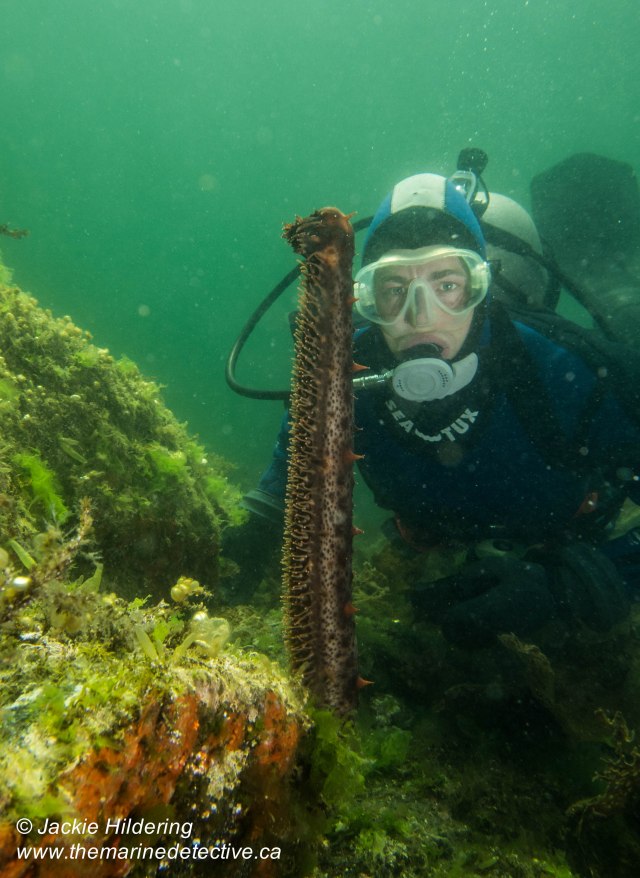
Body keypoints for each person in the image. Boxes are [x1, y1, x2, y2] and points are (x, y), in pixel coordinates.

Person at [226, 171, 640, 649]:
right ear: (364, 298)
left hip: (567, 532)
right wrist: (262, 522)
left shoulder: (566, 370)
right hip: (429, 536)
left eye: (447, 284)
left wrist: (576, 584)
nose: (420, 316)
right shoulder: (345, 373)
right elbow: (297, 448)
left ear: (481, 284)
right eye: (393, 289)